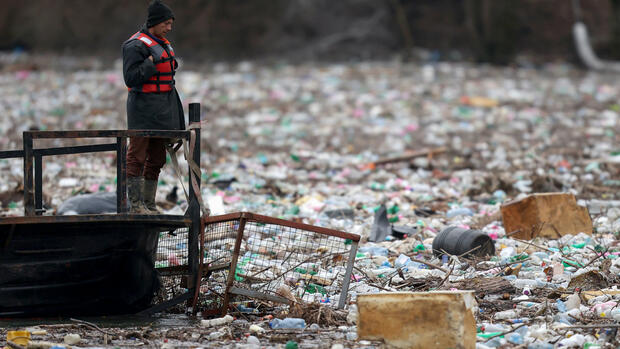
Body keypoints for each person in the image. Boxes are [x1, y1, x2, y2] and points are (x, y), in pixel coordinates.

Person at [122, 0, 184, 214]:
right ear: (155, 23)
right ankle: (136, 205)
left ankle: (149, 203)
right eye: (166, 23)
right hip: (142, 108)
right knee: (137, 155)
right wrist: (150, 64)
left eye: (170, 24)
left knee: (157, 158)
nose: (169, 28)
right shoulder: (135, 45)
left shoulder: (164, 44)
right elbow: (130, 78)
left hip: (163, 108)